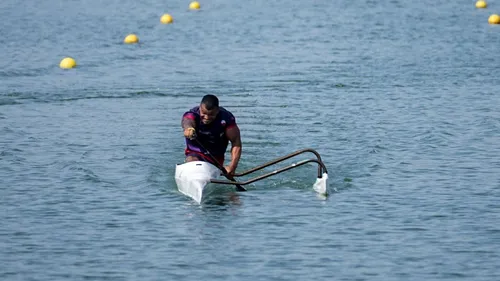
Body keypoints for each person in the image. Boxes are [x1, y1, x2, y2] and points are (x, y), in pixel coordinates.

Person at [181, 94, 242, 176]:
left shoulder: (226, 118)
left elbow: (236, 142)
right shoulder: (192, 114)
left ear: (217, 110)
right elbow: (187, 121)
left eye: (211, 114)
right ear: (200, 108)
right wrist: (189, 128)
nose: (206, 117)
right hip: (194, 154)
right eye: (204, 113)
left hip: (215, 158)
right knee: (192, 159)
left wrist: (232, 167)